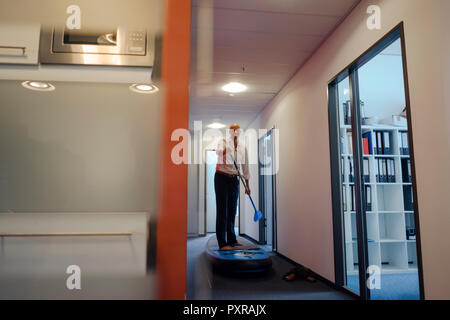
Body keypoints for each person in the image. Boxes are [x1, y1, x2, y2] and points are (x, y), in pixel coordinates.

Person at [215, 123, 250, 251]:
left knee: (232, 210)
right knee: (222, 210)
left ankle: (232, 240)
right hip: (221, 177)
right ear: (230, 131)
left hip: (234, 179)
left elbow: (245, 167)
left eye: (237, 129)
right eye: (233, 129)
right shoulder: (222, 141)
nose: (235, 131)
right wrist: (225, 150)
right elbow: (218, 153)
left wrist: (247, 185)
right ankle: (222, 243)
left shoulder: (242, 148)